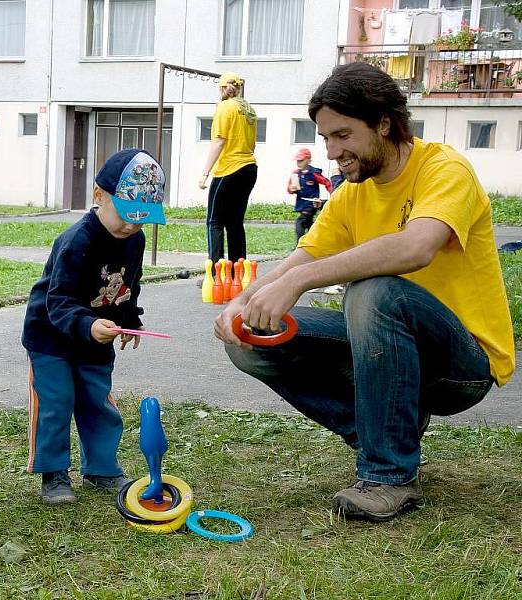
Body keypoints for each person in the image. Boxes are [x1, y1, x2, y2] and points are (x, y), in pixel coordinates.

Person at [213, 62, 514, 522]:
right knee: (253, 338)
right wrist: (244, 300)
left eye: (343, 135)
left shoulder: (444, 168)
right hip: (390, 346)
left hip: (462, 362)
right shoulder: (352, 193)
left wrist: (297, 283)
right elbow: (305, 256)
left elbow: (416, 247)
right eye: (326, 138)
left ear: (384, 124)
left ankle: (389, 475)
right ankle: (391, 434)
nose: (332, 151)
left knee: (373, 291)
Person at [22, 148, 166, 505]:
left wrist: (129, 318)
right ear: (99, 196)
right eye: (127, 213)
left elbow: (127, 283)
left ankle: (101, 469)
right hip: (52, 336)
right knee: (57, 401)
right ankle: (54, 473)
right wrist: (88, 325)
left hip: (97, 335)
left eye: (143, 217)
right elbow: (58, 300)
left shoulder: (135, 239)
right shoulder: (76, 241)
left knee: (97, 401)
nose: (133, 225)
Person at [198, 72, 258, 264]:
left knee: (214, 221)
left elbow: (218, 141)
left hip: (229, 169)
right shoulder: (248, 109)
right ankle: (238, 272)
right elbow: (252, 143)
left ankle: (215, 272)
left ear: (223, 88)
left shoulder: (225, 107)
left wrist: (205, 173)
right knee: (235, 223)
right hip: (249, 168)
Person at [288, 147, 332, 242]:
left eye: (301, 160)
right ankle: (315, 240)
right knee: (309, 224)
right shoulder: (295, 174)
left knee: (300, 223)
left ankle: (299, 245)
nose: (298, 163)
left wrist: (333, 193)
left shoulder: (314, 173)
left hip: (311, 204)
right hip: (301, 203)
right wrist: (292, 189)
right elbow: (289, 188)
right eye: (297, 161)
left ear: (308, 161)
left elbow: (327, 182)